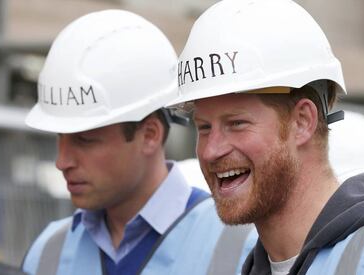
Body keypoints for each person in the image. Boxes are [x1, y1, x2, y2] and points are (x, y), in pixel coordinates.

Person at [21, 10, 257, 275]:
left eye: (85, 140)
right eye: (59, 138)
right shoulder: (47, 253)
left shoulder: (241, 247)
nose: (62, 161)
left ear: (150, 135)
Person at [172, 0, 364, 274]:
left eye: (237, 123)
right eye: (203, 127)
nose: (211, 151)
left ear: (302, 122)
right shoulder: (254, 265)